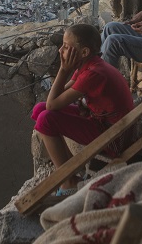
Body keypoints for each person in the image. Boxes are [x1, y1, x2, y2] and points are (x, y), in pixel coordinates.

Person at [30, 23, 134, 195]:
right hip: (103, 121)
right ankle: (67, 165)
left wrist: (63, 71)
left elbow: (52, 104)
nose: (60, 50)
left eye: (66, 47)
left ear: (84, 52)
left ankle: (69, 180)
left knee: (45, 118)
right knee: (39, 109)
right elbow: (57, 97)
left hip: (114, 135)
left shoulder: (93, 73)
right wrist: (66, 71)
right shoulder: (89, 65)